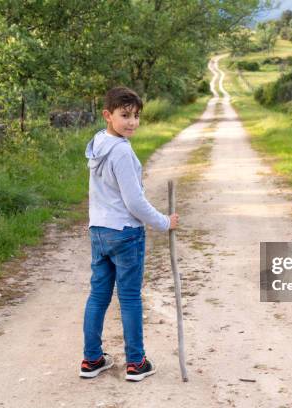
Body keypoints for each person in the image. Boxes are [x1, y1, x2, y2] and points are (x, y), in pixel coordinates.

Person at [79, 86, 179, 381]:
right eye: (125, 116)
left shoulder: (99, 143)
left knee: (98, 296)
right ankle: (136, 362)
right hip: (124, 233)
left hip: (99, 230)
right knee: (130, 297)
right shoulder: (121, 151)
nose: (132, 122)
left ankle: (92, 358)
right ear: (108, 115)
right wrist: (164, 221)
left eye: (136, 116)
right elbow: (134, 202)